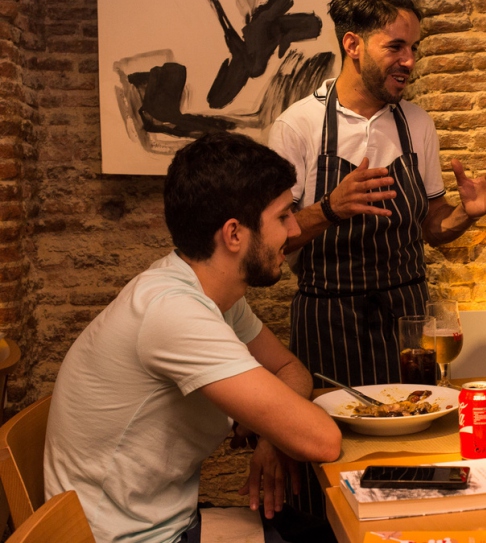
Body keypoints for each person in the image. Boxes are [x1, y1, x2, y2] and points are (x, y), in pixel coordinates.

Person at [44, 132, 343, 543]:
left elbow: (289, 369)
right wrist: (284, 428)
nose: (293, 231)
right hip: (131, 539)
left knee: (326, 532)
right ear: (234, 234)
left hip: (170, 523)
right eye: (282, 216)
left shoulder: (208, 290)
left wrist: (274, 432)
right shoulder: (173, 312)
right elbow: (322, 440)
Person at [268, 0, 486, 387]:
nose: (409, 61)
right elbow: (274, 241)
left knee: (418, 430)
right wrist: (331, 208)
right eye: (396, 47)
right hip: (329, 321)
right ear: (353, 45)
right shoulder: (297, 127)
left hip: (408, 321)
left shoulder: (417, 124)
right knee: (331, 440)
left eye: (414, 49)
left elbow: (432, 225)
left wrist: (465, 214)